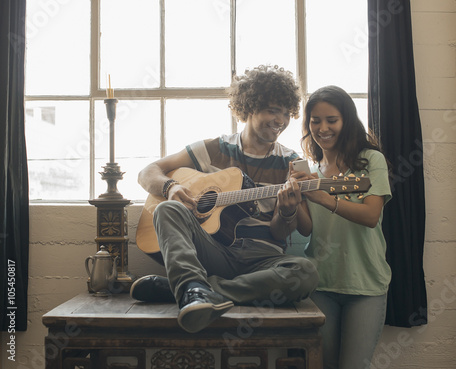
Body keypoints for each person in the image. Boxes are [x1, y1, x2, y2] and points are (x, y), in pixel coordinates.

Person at [131, 65, 319, 334]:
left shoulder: (292, 163)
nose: (280, 120)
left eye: (286, 113)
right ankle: (194, 287)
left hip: (261, 263)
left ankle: (192, 290)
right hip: (214, 252)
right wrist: (171, 187)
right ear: (249, 107)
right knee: (168, 209)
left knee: (305, 273)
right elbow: (147, 172)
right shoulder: (213, 150)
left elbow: (296, 229)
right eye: (272, 110)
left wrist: (288, 212)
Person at [292, 85, 392, 369]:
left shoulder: (372, 160)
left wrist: (324, 198)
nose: (322, 128)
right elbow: (308, 230)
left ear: (346, 120)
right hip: (321, 284)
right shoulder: (313, 170)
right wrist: (295, 201)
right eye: (315, 120)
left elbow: (372, 215)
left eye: (331, 120)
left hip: (365, 285)